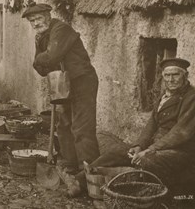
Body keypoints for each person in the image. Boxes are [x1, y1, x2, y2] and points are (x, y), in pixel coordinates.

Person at [64, 58, 195, 197]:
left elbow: (181, 133)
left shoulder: (191, 98)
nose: (171, 79)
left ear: (185, 76)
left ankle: (148, 195)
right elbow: (151, 125)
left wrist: (150, 150)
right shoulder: (164, 96)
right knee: (116, 153)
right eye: (167, 75)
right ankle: (78, 181)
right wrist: (139, 145)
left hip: (179, 150)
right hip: (157, 147)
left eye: (176, 75)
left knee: (145, 161)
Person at [22, 3, 100, 179]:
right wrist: (43, 59)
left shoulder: (61, 29)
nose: (35, 24)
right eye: (31, 21)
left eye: (38, 19)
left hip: (82, 81)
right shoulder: (41, 37)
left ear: (48, 16)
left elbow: (50, 58)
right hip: (62, 84)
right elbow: (41, 69)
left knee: (81, 127)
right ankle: (70, 164)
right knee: (63, 124)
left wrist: (42, 58)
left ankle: (90, 170)